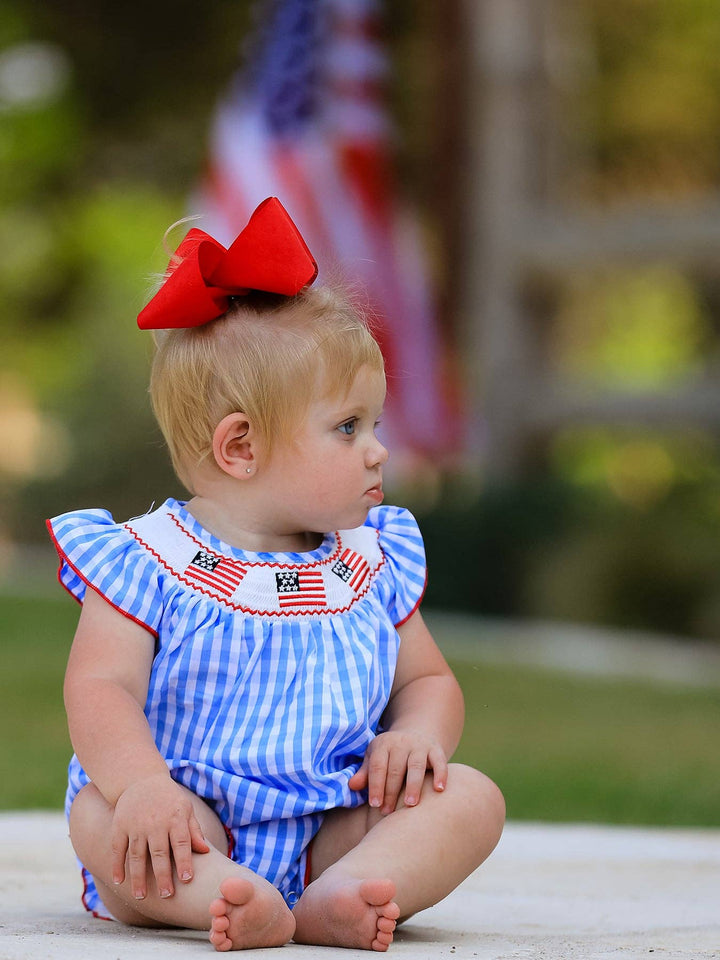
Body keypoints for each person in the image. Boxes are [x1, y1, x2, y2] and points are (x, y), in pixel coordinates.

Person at [47, 197, 505, 953]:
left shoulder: (370, 561)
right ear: (240, 449)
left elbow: (428, 680)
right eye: (349, 427)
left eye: (376, 424)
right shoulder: (149, 560)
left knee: (473, 798)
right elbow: (100, 689)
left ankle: (344, 892)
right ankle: (218, 897)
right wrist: (143, 789)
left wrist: (419, 734)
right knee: (100, 813)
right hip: (190, 823)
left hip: (335, 825)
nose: (379, 451)